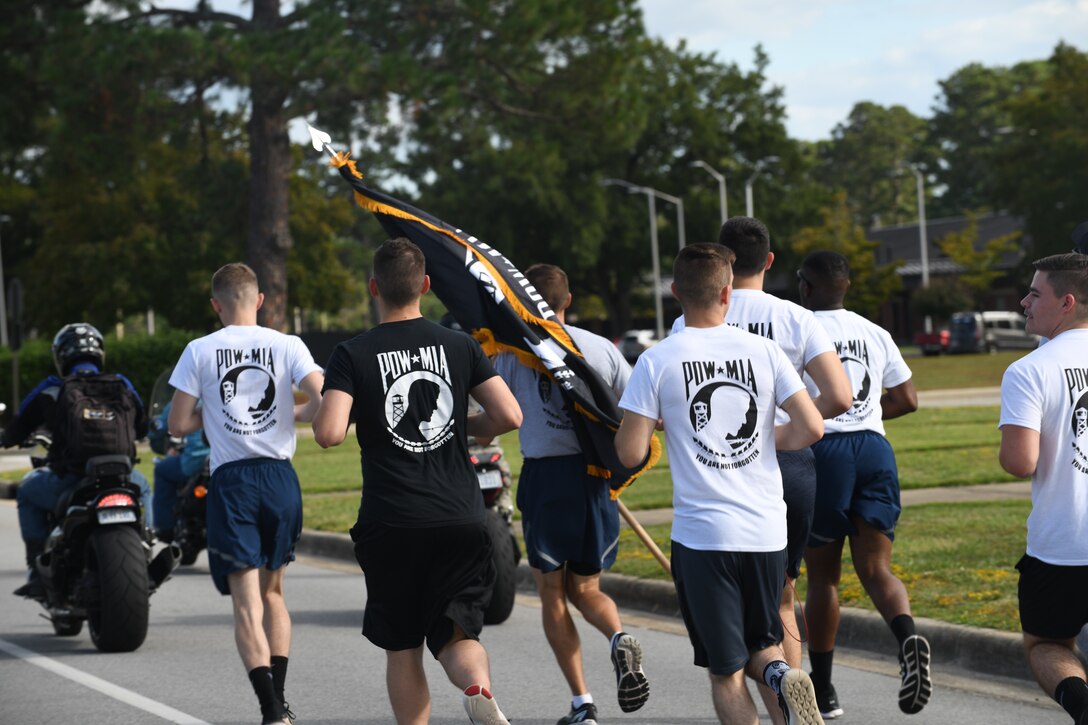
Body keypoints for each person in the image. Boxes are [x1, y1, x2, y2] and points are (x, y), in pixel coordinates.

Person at [311, 237, 523, 725]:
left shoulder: (352, 352)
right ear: (425, 286)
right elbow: (510, 414)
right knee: (458, 637)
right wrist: (461, 426)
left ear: (373, 288)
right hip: (461, 516)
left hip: (393, 521)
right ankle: (477, 687)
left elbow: (326, 434)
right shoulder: (459, 344)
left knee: (402, 647)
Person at [616, 243, 825, 724]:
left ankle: (778, 679)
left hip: (703, 535)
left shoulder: (658, 359)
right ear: (728, 292)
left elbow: (629, 453)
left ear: (675, 293)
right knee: (766, 644)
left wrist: (667, 426)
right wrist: (767, 438)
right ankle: (783, 677)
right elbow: (812, 427)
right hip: (768, 530)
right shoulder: (765, 350)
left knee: (726, 669)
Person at [671, 216, 852, 721]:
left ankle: (781, 696)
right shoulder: (795, 316)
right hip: (789, 463)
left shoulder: (688, 320)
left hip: (718, 467)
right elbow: (839, 396)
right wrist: (774, 430)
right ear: (769, 261)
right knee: (782, 592)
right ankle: (793, 702)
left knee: (730, 638)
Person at [491, 263, 649, 724]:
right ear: (568, 300)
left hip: (547, 479)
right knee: (588, 587)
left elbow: (498, 415)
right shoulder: (601, 348)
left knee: (553, 595)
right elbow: (638, 413)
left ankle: (582, 704)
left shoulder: (511, 354)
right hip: (596, 475)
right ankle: (619, 638)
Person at [168, 263, 324, 725]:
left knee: (245, 602)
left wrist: (212, 416)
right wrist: (286, 413)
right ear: (259, 300)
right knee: (274, 594)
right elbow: (321, 398)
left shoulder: (198, 350)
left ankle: (271, 710)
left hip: (232, 483)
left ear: (216, 305)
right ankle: (282, 700)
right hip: (280, 478)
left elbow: (177, 425)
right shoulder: (288, 344)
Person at [796, 251, 930, 718]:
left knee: (824, 579)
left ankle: (825, 690)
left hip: (826, 452)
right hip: (875, 449)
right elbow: (908, 399)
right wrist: (866, 415)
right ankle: (908, 636)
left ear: (805, 287)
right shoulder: (875, 331)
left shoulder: (799, 328)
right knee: (877, 569)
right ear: (847, 285)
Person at [998, 252, 1088, 725]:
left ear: (1067, 302)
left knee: (1047, 643)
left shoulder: (1028, 370)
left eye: (1036, 293)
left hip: (1063, 546)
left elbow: (1019, 462)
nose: (1024, 301)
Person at [4, 322, 151, 599]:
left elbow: (16, 430)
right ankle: (146, 549)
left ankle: (37, 571)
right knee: (144, 487)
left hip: (72, 477)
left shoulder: (52, 389)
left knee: (27, 491)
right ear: (99, 353)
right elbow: (142, 428)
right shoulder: (122, 384)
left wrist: (7, 438)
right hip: (122, 476)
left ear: (61, 356)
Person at [149, 400, 210, 543]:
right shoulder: (228, 392)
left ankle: (165, 529)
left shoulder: (187, 397)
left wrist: (153, 431)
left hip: (196, 460)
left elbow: (159, 429)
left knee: (162, 470)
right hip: (225, 458)